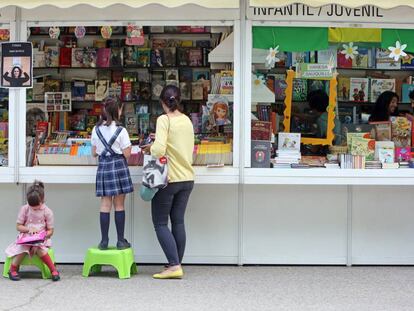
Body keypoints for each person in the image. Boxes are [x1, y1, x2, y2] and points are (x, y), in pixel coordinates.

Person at [142, 85, 194, 279]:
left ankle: (173, 265)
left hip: (168, 179)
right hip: (187, 178)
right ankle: (176, 262)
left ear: (162, 102)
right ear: (178, 100)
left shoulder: (163, 120)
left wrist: (151, 147)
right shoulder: (187, 120)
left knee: (160, 223)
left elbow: (158, 150)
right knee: (178, 221)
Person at [91, 97, 133, 250]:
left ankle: (103, 241)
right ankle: (121, 240)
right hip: (119, 166)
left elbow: (94, 153)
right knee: (119, 204)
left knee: (105, 204)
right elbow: (127, 154)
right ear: (117, 111)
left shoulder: (96, 129)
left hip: (104, 166)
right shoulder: (121, 130)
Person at [5, 180, 60, 281]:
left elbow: (51, 231)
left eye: (36, 207)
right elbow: (18, 226)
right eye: (31, 207)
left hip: (41, 239)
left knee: (39, 249)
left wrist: (43, 235)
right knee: (23, 247)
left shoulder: (47, 212)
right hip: (26, 238)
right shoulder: (25, 209)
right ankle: (12, 269)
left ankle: (53, 270)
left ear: (42, 200)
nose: (33, 209)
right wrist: (28, 229)